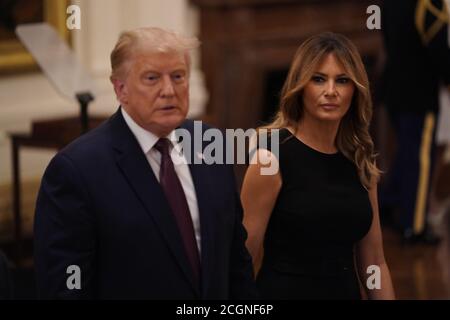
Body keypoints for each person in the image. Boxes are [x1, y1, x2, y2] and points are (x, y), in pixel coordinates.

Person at [34, 27, 256, 299]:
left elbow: (236, 262)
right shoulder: (76, 170)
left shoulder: (210, 143)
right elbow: (67, 287)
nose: (168, 91)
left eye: (178, 76)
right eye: (152, 78)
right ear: (120, 89)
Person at [241, 32, 395, 299]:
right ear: (301, 86)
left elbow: (374, 262)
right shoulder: (271, 158)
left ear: (354, 90)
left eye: (343, 80)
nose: (331, 91)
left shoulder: (360, 159)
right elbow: (244, 260)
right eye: (319, 79)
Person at [379, 0, 450, 244]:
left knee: (408, 152)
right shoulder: (428, 3)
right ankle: (414, 226)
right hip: (420, 92)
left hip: (394, 88)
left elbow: (387, 38)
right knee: (419, 160)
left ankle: (388, 204)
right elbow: (440, 49)